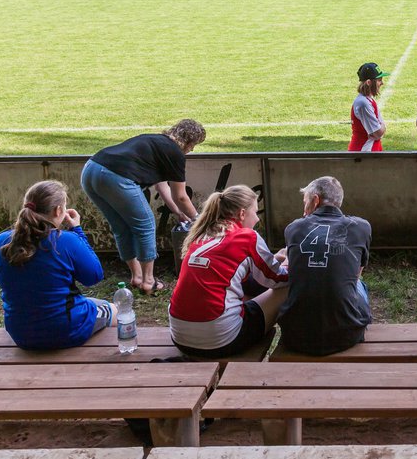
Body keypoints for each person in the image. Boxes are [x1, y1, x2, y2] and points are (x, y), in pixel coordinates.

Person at [81, 119, 205, 295]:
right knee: (145, 225)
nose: (192, 149)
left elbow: (163, 188)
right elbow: (181, 196)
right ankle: (148, 282)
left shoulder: (155, 142)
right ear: (188, 141)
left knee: (121, 227)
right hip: (115, 176)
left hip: (91, 169)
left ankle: (137, 277)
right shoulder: (175, 153)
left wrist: (178, 213)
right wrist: (199, 220)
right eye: (194, 145)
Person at [0, 180, 116, 351]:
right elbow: (94, 276)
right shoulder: (65, 240)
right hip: (65, 330)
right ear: (58, 210)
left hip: (21, 333)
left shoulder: (3, 241)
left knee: (90, 303)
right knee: (114, 309)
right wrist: (77, 230)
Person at [168, 185, 289, 357]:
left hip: (180, 337)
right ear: (241, 214)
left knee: (240, 288)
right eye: (255, 212)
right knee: (285, 290)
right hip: (220, 341)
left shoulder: (202, 234)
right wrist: (289, 264)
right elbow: (277, 279)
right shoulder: (247, 236)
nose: (257, 219)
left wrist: (273, 259)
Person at [276, 176, 372, 356]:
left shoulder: (293, 228)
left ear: (315, 200)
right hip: (346, 335)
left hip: (296, 336)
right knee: (359, 284)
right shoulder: (361, 227)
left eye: (305, 203)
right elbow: (356, 275)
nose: (304, 211)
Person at [349, 63, 387, 152]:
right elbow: (378, 133)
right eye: (379, 80)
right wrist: (382, 126)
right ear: (369, 82)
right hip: (364, 153)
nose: (382, 83)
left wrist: (381, 127)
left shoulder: (367, 100)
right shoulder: (363, 103)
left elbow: (379, 131)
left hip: (370, 151)